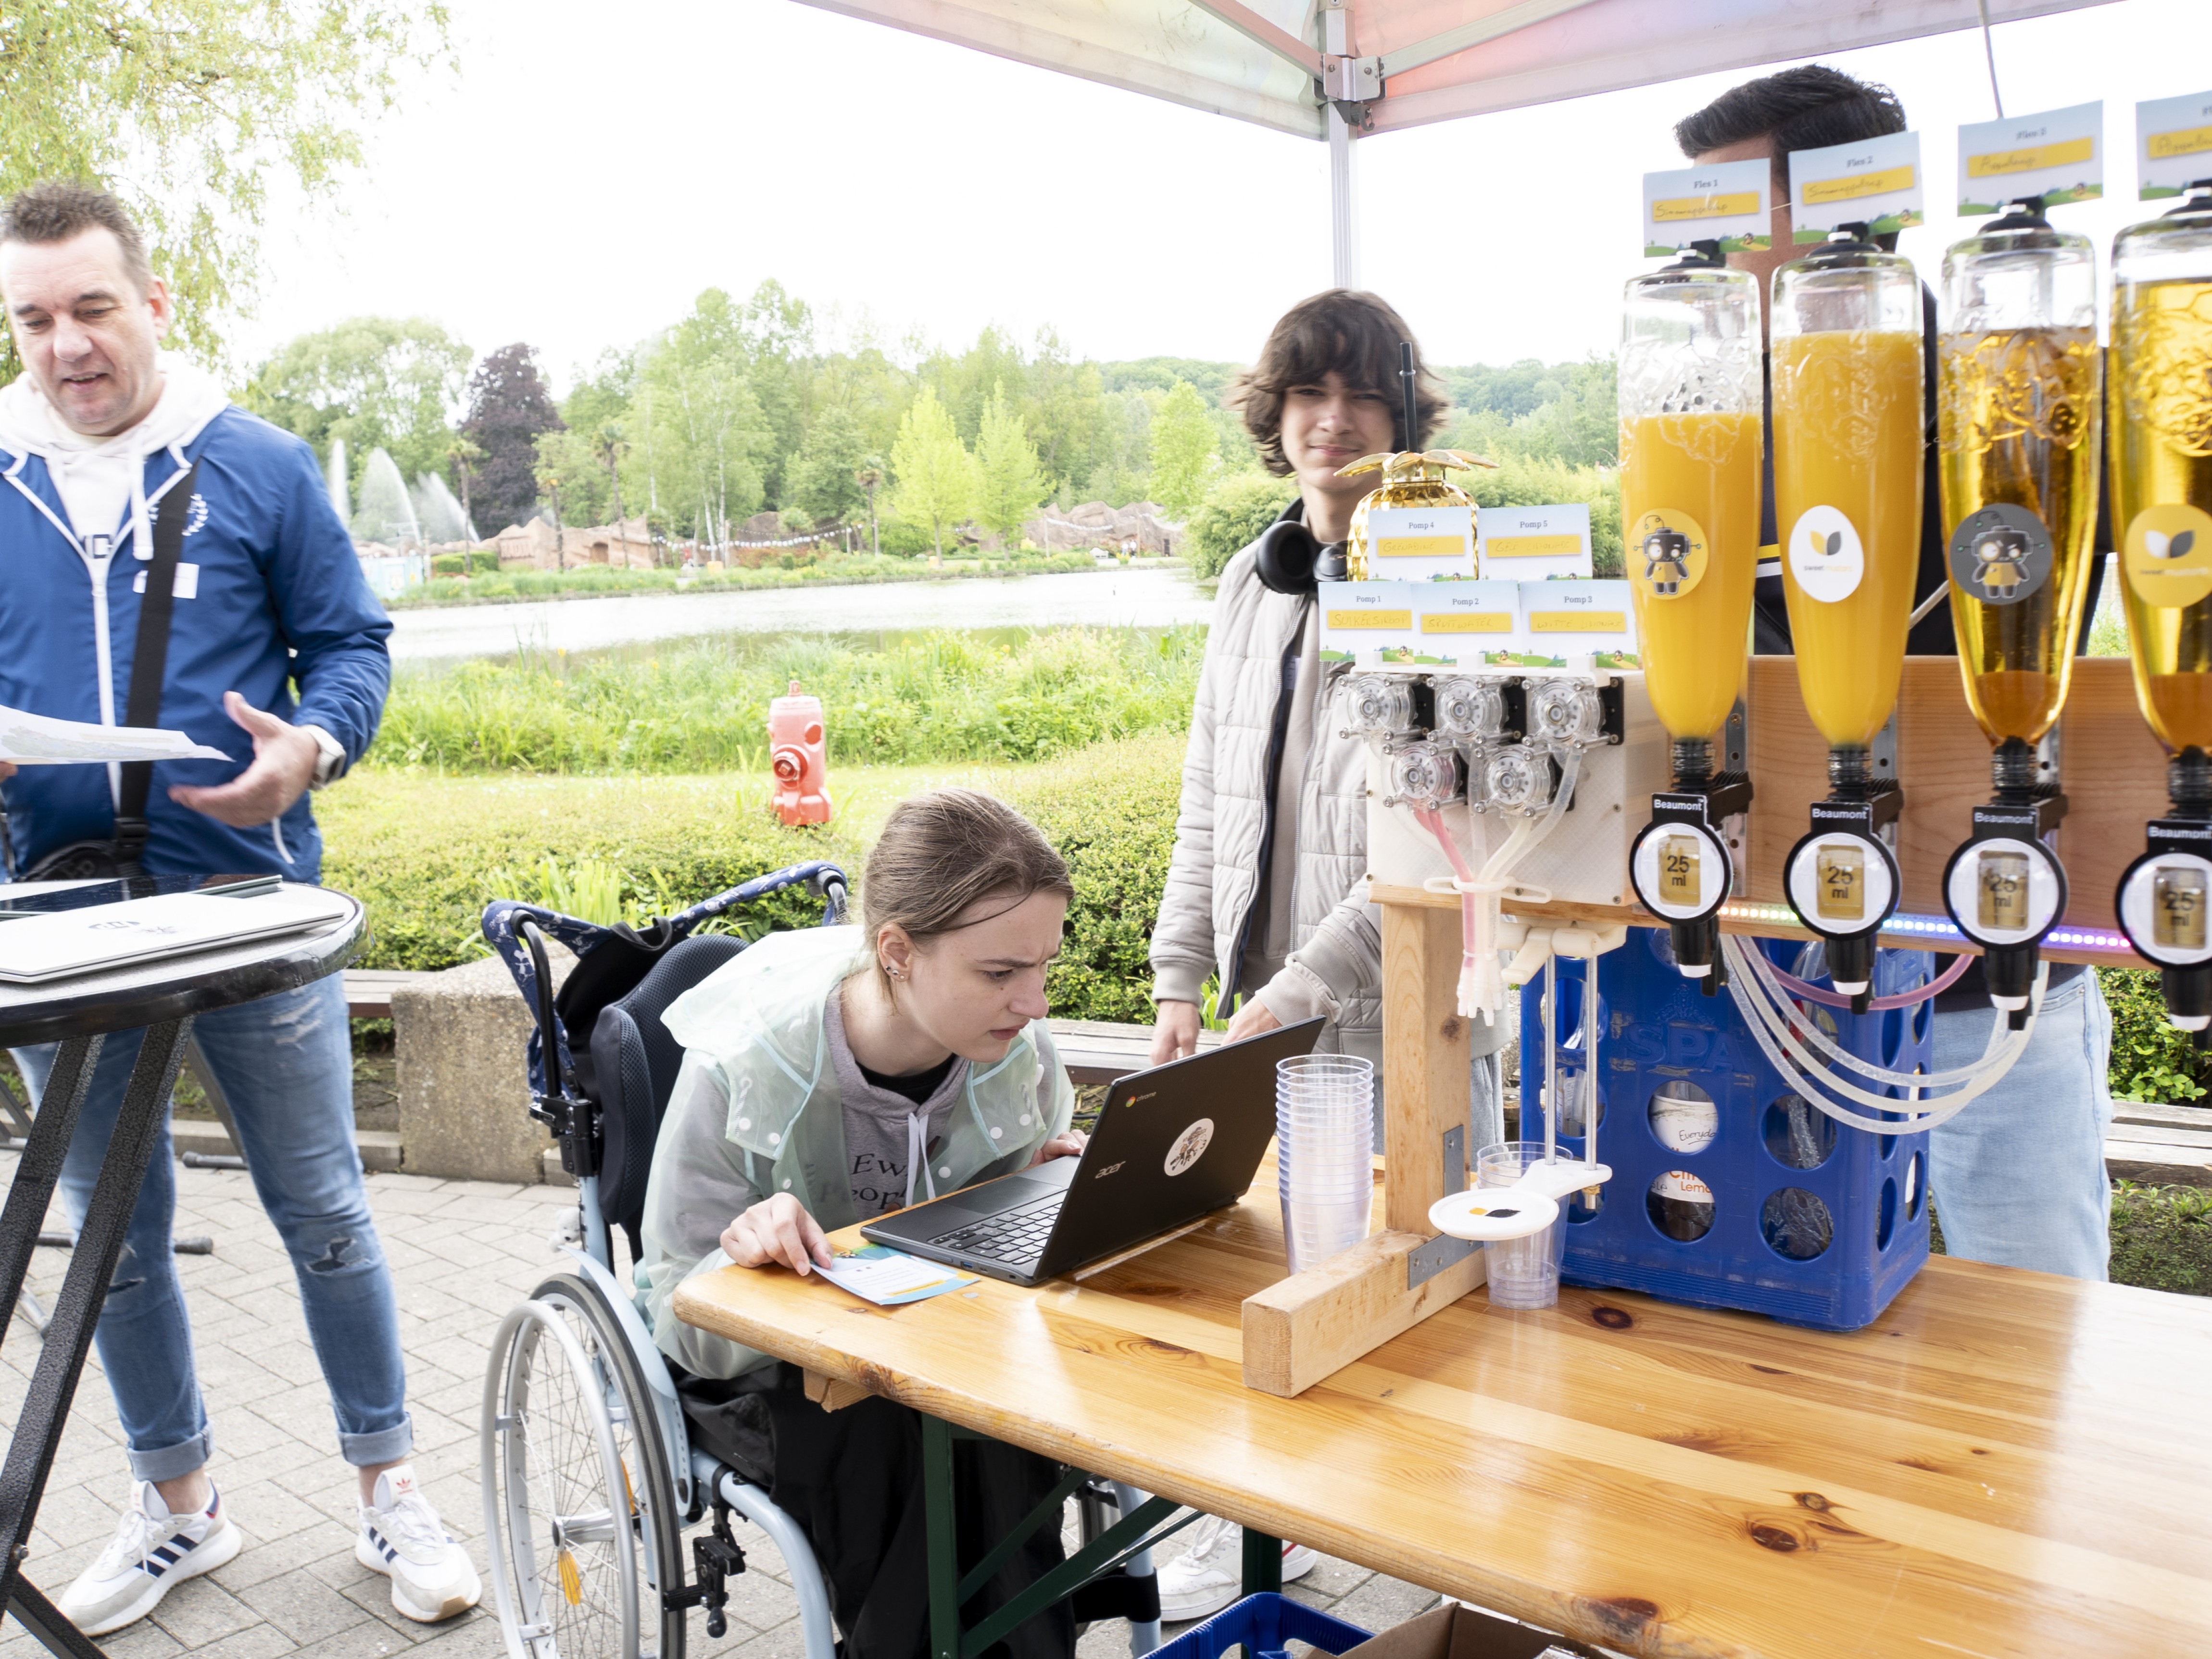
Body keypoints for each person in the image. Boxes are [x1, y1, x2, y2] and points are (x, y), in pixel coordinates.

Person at [0, 182, 479, 1634]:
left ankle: (392, 1492)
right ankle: (177, 1508)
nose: (66, 345)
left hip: (248, 905)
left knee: (325, 1211)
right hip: (51, 923)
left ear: (154, 305)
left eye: (91, 307)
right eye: (33, 319)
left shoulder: (259, 465)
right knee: (110, 1236)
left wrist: (312, 748)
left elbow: (351, 646)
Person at [1674, 68, 2116, 1279]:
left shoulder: (2011, 378)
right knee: (1812, 1319)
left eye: (1724, 217)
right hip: (1791, 969)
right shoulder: (1730, 417)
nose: (1697, 250)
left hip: (1991, 968)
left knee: (2025, 1327)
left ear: (1826, 203)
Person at [1144, 289, 1507, 1619]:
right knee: (1276, 1270)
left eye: (1359, 396)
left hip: (1392, 998)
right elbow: (1204, 797)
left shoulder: (1447, 578)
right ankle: (1267, 1527)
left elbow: (1434, 838)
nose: (1331, 422)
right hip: (1257, 1001)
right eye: (1307, 395)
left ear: (1404, 419)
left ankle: (1432, 1553)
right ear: (1275, 414)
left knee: (1407, 1276)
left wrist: (1298, 988)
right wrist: (1182, 979)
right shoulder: (1252, 581)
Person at [639, 789, 1088, 1659]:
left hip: (946, 1342)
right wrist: (745, 1261)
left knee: (1003, 1414)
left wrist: (1041, 1188)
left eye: (1044, 968)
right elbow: (675, 1310)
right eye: (1001, 973)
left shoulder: (1017, 1057)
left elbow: (1007, 1226)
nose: (1033, 1003)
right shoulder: (745, 1072)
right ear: (896, 952)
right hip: (782, 1376)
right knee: (899, 1427)